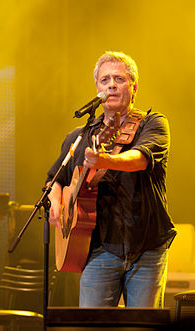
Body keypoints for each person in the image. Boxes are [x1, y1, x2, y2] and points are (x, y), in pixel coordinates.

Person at [46, 51, 176, 308]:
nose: (111, 85)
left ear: (134, 87)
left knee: (142, 327)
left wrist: (105, 161)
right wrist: (56, 202)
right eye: (105, 80)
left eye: (119, 79)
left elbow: (141, 159)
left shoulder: (152, 124)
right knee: (93, 326)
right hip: (97, 248)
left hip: (146, 247)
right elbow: (54, 180)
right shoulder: (79, 135)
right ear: (97, 89)